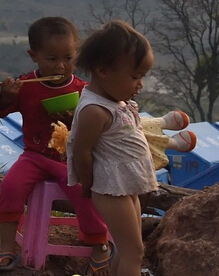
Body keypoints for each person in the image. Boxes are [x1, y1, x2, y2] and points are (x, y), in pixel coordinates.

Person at [0, 17, 110, 273]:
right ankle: (7, 247)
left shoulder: (84, 90)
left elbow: (99, 124)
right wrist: (8, 95)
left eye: (68, 57)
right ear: (34, 55)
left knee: (85, 191)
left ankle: (98, 243)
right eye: (52, 59)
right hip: (34, 156)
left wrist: (76, 120)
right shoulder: (25, 86)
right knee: (10, 186)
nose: (61, 66)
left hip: (71, 159)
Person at [68, 21, 157, 276]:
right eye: (135, 76)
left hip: (124, 186)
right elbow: (82, 151)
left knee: (127, 248)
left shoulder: (115, 101)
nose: (140, 84)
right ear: (103, 70)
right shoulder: (95, 111)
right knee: (134, 252)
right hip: (110, 190)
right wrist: (87, 184)